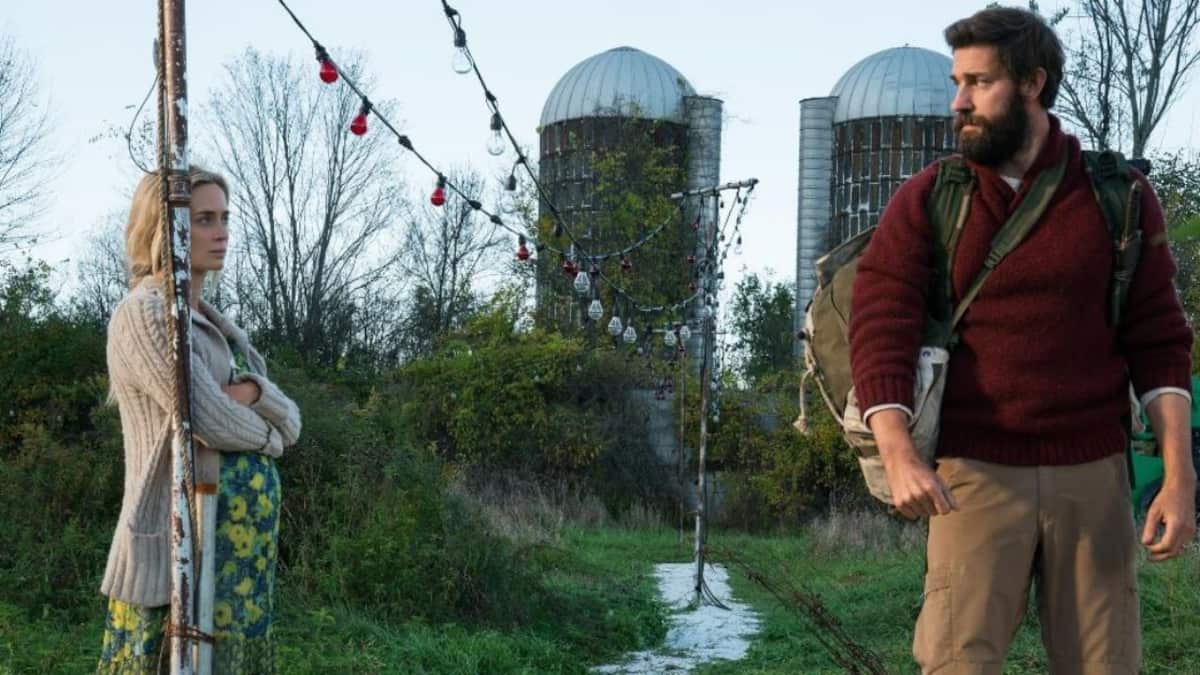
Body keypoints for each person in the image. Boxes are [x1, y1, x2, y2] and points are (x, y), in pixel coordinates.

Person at [849, 7, 1196, 674]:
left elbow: (1160, 340)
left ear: (1033, 84)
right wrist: (898, 454)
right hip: (971, 476)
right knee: (956, 663)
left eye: (979, 83)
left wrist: (1179, 478)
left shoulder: (1118, 198)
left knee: (1106, 666)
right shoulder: (929, 199)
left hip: (1094, 474)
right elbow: (879, 328)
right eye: (957, 83)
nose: (959, 101)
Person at [98, 167, 301, 673]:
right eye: (205, 219)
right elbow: (208, 419)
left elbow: (293, 420)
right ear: (163, 228)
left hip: (234, 553)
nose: (221, 232)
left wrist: (252, 392)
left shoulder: (216, 325)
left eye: (224, 218)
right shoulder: (144, 314)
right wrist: (270, 438)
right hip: (177, 544)